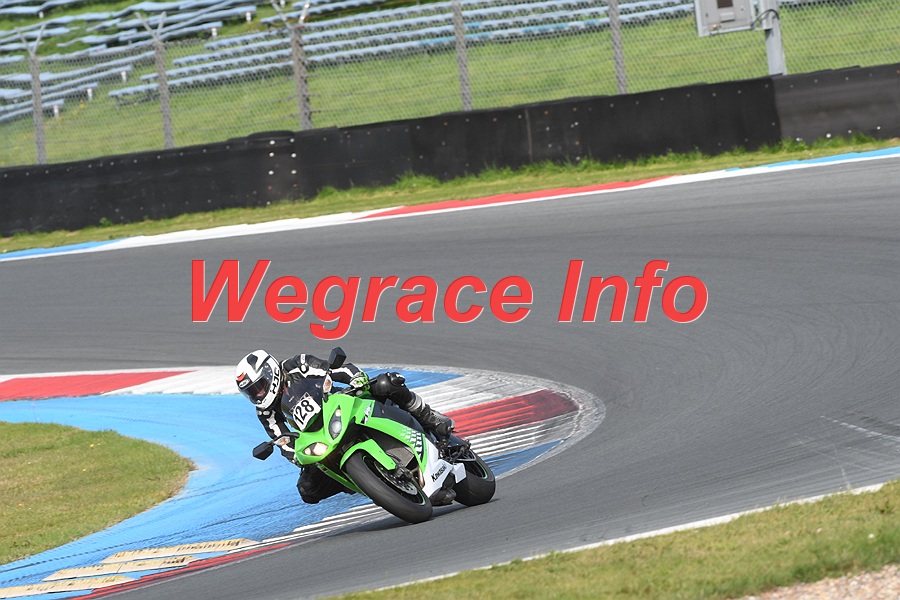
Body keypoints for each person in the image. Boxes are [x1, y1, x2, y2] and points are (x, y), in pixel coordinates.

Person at [235, 349, 455, 504]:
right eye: (252, 392)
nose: (258, 394)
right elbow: (282, 440)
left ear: (270, 373)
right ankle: (360, 480)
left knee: (387, 382)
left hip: (341, 405)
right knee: (307, 489)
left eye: (259, 387)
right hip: (319, 437)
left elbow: (335, 370)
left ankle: (431, 418)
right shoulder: (265, 411)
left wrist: (356, 378)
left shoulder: (297, 365)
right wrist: (297, 456)